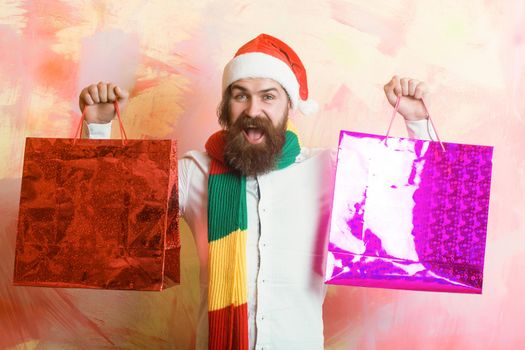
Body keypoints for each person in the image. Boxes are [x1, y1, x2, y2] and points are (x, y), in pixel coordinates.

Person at [79, 34, 436, 350]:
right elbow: (106, 222)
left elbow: (418, 212)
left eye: (268, 96)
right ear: (225, 106)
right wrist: (98, 128)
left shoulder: (329, 169)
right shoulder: (194, 171)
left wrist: (416, 122)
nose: (253, 110)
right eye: (240, 96)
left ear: (288, 106)